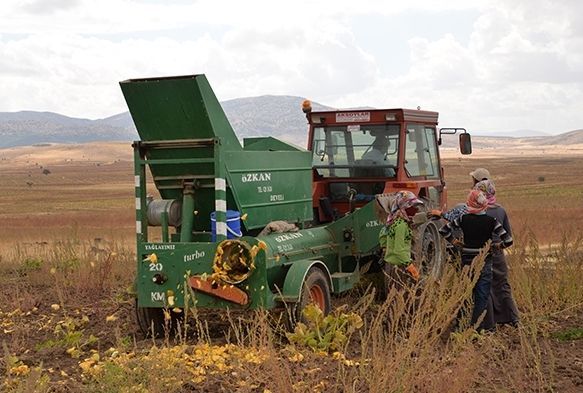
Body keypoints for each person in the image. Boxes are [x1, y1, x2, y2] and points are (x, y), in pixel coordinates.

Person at [439, 189, 513, 332]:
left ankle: (461, 326)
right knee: (482, 295)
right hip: (484, 261)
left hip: (466, 262)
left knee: (466, 294)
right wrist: (496, 246)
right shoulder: (492, 222)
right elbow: (508, 240)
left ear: (470, 202)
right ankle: (477, 328)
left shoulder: (462, 219)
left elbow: (443, 231)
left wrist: (455, 242)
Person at [474, 179, 519, 327]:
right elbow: (508, 236)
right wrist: (499, 246)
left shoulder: (477, 212)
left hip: (482, 254)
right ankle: (513, 319)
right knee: (503, 285)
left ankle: (489, 324)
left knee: (485, 288)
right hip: (498, 253)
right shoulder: (501, 210)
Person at [377, 191, 423, 291]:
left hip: (391, 265)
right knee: (400, 295)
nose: (416, 210)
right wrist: (410, 266)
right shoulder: (401, 225)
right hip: (399, 267)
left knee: (393, 295)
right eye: (412, 207)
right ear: (404, 207)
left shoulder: (393, 220)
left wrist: (386, 249)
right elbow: (399, 249)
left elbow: (382, 235)